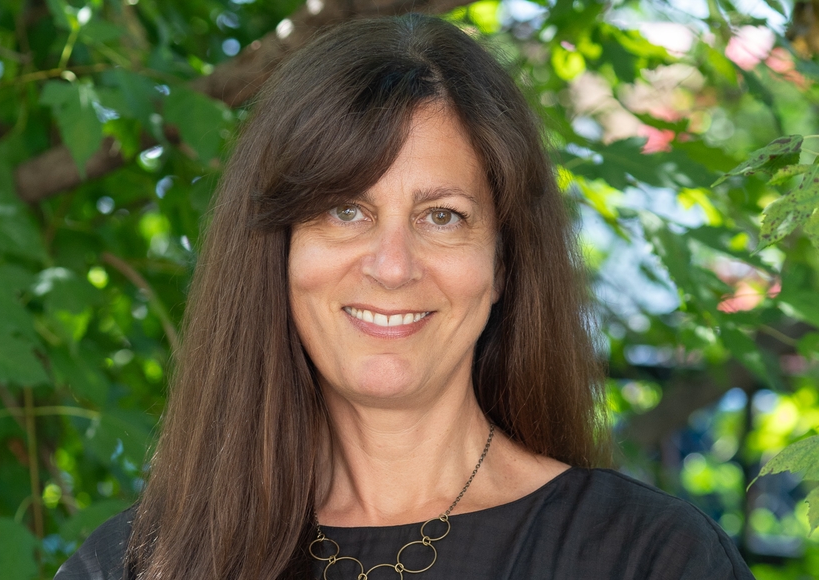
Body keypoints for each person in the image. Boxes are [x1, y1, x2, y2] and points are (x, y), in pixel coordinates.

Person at [55, 13, 755, 580]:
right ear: (278, 251)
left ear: (504, 263)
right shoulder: (135, 565)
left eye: (442, 216)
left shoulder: (647, 559)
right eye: (345, 211)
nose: (392, 267)